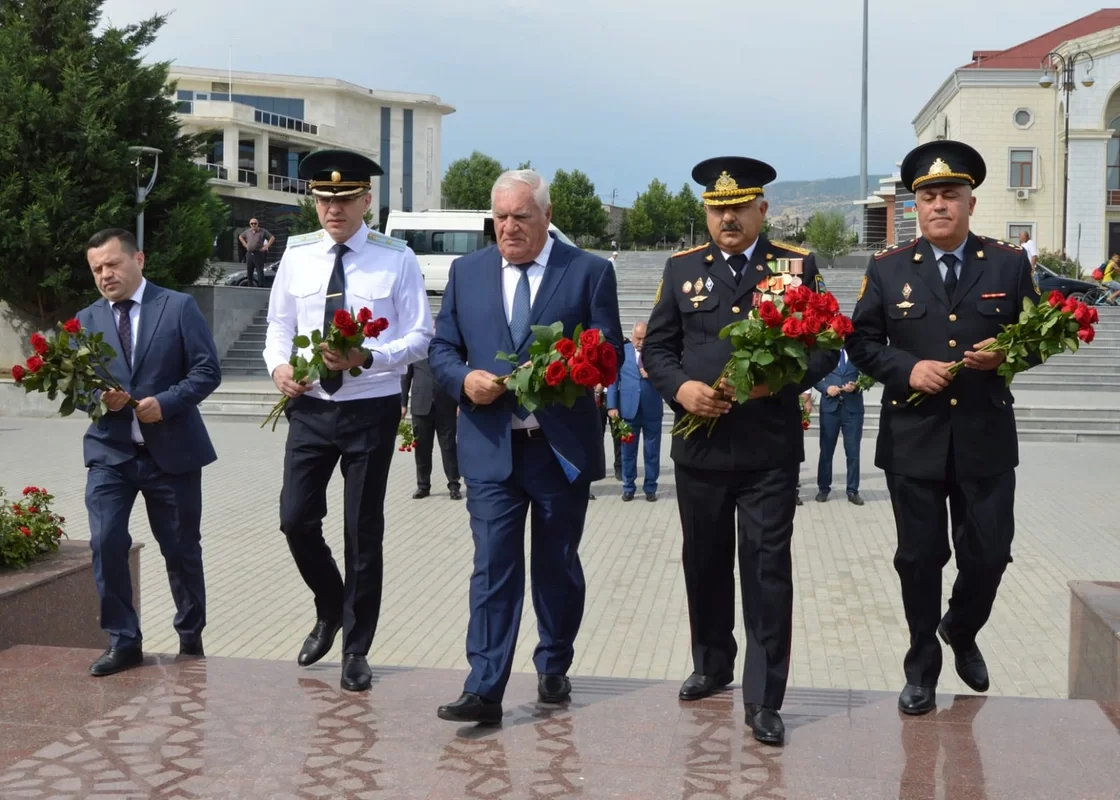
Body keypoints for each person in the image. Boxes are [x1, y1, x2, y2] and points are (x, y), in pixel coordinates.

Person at [643, 156, 839, 745]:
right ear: (706, 212)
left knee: (766, 570)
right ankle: (711, 663)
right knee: (703, 563)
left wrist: (772, 383)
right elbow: (657, 348)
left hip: (767, 451)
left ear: (762, 209)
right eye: (716, 208)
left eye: (738, 207)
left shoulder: (796, 266)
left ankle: (764, 697)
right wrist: (680, 389)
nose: (727, 217)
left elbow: (829, 347)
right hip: (698, 450)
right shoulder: (681, 270)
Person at [846, 140, 1041, 716]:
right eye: (928, 196)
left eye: (949, 195)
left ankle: (961, 627)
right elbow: (859, 342)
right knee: (919, 558)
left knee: (990, 553)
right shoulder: (886, 269)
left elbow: (1037, 339)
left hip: (985, 438)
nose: (938, 205)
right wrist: (908, 369)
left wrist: (1005, 354)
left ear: (970, 203)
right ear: (916, 206)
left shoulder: (1008, 264)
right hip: (915, 440)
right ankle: (921, 666)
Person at [429, 169, 622, 723]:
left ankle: (554, 662)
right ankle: (485, 686)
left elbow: (611, 351)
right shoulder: (467, 273)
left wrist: (566, 369)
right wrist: (463, 379)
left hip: (558, 448)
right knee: (492, 564)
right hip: (490, 447)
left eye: (521, 217)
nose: (509, 228)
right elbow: (442, 346)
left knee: (556, 564)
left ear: (546, 215)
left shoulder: (587, 272)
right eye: (500, 218)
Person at [263, 148, 432, 692]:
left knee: (362, 531)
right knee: (294, 519)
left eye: (344, 199)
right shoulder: (297, 255)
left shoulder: (397, 257)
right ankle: (331, 605)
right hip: (311, 408)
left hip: (370, 408)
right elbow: (278, 326)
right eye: (323, 199)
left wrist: (370, 357)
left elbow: (419, 337)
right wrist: (279, 366)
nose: (333, 210)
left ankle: (356, 648)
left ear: (366, 200)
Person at [80, 228, 222, 676]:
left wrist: (167, 402)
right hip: (111, 455)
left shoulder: (177, 307)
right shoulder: (86, 320)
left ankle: (190, 639)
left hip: (173, 454)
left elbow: (206, 370)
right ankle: (123, 641)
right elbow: (78, 386)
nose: (105, 275)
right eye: (97, 269)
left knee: (180, 550)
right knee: (105, 543)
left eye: (112, 264)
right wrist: (101, 400)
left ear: (138, 259)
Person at [607, 321, 663, 502]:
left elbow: (667, 375)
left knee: (652, 451)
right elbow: (613, 380)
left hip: (651, 409)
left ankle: (650, 488)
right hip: (628, 409)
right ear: (632, 336)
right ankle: (628, 486)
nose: (641, 342)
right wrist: (612, 406)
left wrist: (653, 374)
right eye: (638, 338)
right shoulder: (623, 353)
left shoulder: (656, 354)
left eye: (644, 339)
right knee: (628, 451)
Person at [401, 349, 461, 500]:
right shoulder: (415, 349)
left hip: (446, 405)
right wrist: (402, 404)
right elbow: (405, 378)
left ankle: (454, 485)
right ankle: (423, 486)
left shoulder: (448, 348)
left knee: (448, 447)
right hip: (421, 405)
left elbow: (457, 376)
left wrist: (460, 401)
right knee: (422, 448)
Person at [813, 348, 865, 505]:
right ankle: (823, 488)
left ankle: (852, 490)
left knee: (853, 451)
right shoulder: (826, 353)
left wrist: (857, 386)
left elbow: (869, 376)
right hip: (830, 408)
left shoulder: (858, 353)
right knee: (826, 451)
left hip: (853, 409)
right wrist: (826, 388)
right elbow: (812, 376)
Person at [239, 218, 275, 287]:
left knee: (260, 271)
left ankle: (261, 286)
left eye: (255, 223)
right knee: (249, 271)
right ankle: (250, 286)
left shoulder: (263, 231)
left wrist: (266, 246)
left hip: (258, 254)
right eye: (252, 223)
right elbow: (240, 236)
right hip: (249, 254)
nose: (253, 225)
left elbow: (272, 238)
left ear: (257, 224)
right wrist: (245, 244)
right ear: (250, 224)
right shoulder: (247, 232)